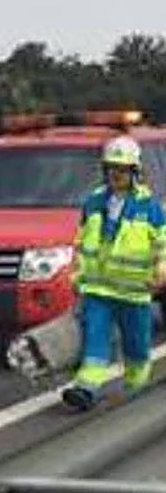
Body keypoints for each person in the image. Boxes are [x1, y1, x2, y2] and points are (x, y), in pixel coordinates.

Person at [62, 135, 166, 410]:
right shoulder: (94, 202)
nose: (116, 174)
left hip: (134, 292)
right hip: (98, 290)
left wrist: (162, 269)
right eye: (111, 168)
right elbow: (81, 242)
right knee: (95, 340)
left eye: (122, 169)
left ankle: (136, 382)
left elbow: (163, 243)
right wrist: (75, 275)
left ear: (134, 172)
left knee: (136, 346)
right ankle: (85, 388)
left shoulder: (150, 207)